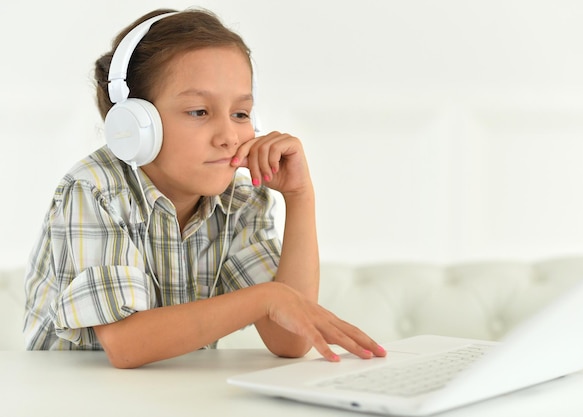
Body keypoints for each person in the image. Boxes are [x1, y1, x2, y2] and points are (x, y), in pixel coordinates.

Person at [23, 7, 386, 368]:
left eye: (241, 114)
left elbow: (290, 340)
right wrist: (265, 298)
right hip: (75, 396)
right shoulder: (96, 190)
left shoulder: (239, 201)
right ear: (134, 126)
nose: (229, 137)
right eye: (199, 111)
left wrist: (299, 196)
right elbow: (126, 344)